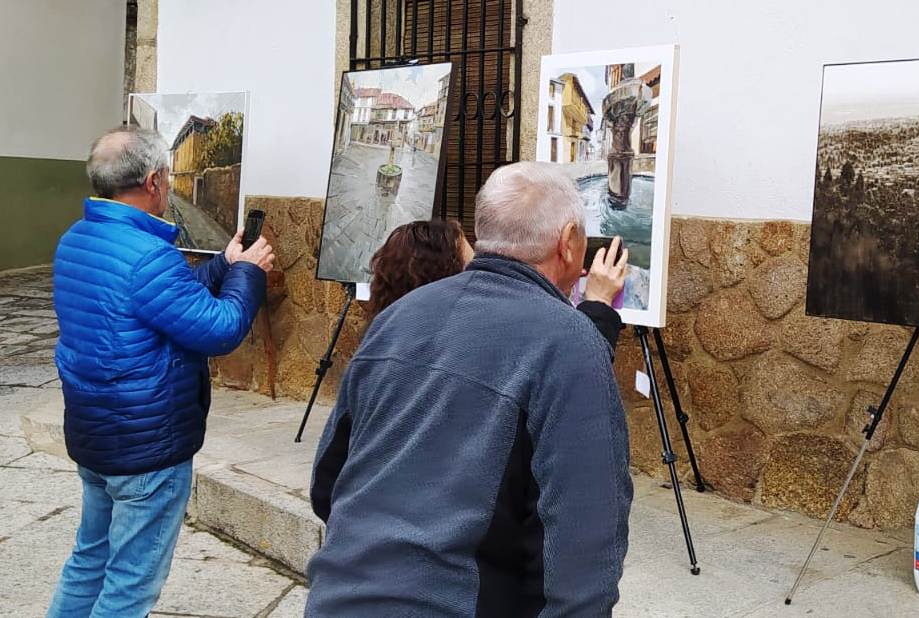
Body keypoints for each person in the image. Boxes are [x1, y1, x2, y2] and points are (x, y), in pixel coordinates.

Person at [306, 162, 632, 617]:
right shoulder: (572, 343)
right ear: (569, 241)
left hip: (337, 599)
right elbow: (585, 541)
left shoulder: (398, 318)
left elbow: (328, 481)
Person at [48, 126, 275, 617]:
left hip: (97, 434)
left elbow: (161, 302)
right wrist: (250, 273)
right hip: (146, 448)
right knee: (130, 584)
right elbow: (219, 330)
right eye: (167, 177)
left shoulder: (77, 238)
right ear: (153, 181)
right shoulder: (148, 255)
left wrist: (225, 265)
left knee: (89, 561)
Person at [364, 217, 629, 350]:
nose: (482, 270)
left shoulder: (384, 342)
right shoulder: (470, 344)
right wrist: (598, 303)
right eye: (473, 264)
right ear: (442, 282)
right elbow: (577, 365)